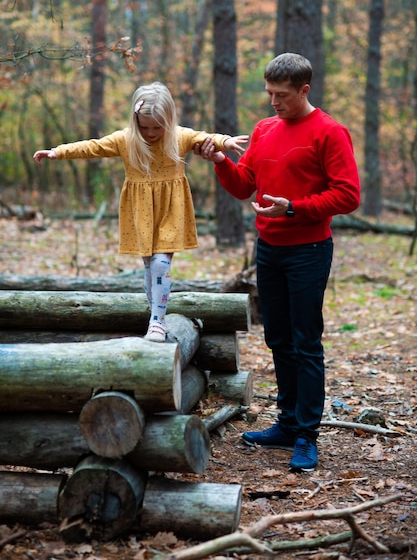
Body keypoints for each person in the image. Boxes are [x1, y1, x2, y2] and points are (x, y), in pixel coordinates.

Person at [195, 53, 361, 472]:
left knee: (306, 342)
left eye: (281, 95)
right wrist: (221, 163)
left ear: (304, 90)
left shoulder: (329, 132)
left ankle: (306, 434)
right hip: (267, 250)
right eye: (269, 93)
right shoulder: (264, 129)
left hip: (308, 250)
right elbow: (244, 185)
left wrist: (293, 209)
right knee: (278, 339)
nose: (273, 101)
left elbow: (348, 195)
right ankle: (286, 424)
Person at [33, 81, 248, 343]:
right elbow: (93, 146)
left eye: (157, 126)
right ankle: (156, 314)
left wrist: (225, 141)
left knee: (160, 263)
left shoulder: (178, 137)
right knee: (149, 268)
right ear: (136, 121)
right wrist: (57, 152)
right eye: (144, 126)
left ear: (168, 120)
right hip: (140, 209)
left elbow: (204, 137)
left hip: (171, 206)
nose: (151, 132)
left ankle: (157, 321)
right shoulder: (126, 139)